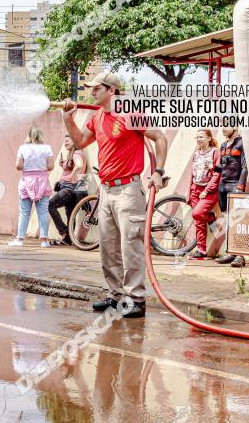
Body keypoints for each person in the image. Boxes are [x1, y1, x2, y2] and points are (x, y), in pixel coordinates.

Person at [61, 72, 169, 318]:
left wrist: (159, 171)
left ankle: (136, 299)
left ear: (111, 90)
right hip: (106, 190)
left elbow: (159, 137)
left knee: (130, 246)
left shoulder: (129, 111)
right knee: (108, 247)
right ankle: (116, 295)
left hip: (129, 189)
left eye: (96, 88)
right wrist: (68, 119)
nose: (92, 92)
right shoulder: (97, 116)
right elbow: (79, 142)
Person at [9, 126, 54, 248]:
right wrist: (40, 166)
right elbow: (50, 166)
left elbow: (18, 166)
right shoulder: (47, 148)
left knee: (24, 212)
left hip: (26, 181)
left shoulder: (23, 148)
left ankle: (20, 240)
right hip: (43, 182)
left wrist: (29, 166)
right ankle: (44, 241)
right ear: (41, 135)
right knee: (43, 212)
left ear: (29, 135)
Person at [213, 127, 248, 267]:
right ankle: (232, 253)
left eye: (226, 125)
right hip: (223, 185)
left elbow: (245, 167)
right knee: (228, 219)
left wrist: (240, 186)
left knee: (237, 220)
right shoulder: (223, 145)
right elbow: (222, 166)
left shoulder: (242, 143)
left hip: (235, 185)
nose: (223, 128)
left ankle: (240, 256)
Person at [187, 129, 221, 260]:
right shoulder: (196, 154)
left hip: (209, 191)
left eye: (201, 137)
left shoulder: (215, 152)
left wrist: (207, 190)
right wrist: (189, 193)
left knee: (197, 214)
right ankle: (201, 250)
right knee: (198, 221)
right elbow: (193, 174)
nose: (198, 139)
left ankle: (211, 217)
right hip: (195, 190)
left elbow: (217, 174)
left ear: (208, 138)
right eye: (197, 137)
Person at [48, 134, 88, 245]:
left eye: (67, 140)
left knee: (50, 204)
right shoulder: (74, 153)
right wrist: (63, 165)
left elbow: (79, 165)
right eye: (64, 141)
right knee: (70, 214)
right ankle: (68, 239)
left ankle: (64, 232)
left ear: (74, 141)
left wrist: (72, 175)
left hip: (69, 187)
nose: (65, 143)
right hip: (73, 187)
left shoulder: (76, 153)